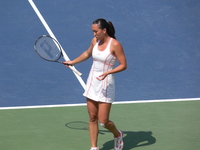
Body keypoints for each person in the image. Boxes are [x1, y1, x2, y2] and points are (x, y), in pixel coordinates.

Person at [64, 18, 127, 150]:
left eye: (96, 31)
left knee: (103, 121)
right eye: (93, 31)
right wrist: (73, 62)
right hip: (92, 82)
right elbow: (88, 53)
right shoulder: (95, 41)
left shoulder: (115, 45)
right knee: (92, 117)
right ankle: (94, 147)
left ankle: (117, 134)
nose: (94, 34)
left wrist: (108, 72)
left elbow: (123, 65)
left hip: (106, 84)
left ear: (104, 30)